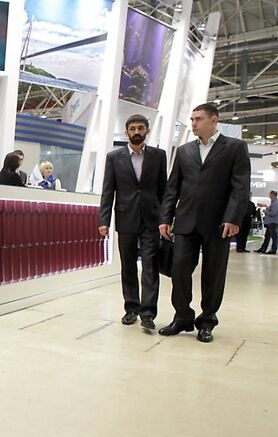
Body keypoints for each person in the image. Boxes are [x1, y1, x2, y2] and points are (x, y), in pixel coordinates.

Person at [158, 103, 250, 343]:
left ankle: (207, 321)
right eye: (192, 119)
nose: (193, 123)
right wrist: (165, 218)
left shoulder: (235, 148)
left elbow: (240, 187)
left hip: (219, 223)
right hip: (186, 221)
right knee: (179, 269)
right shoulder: (185, 151)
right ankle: (182, 317)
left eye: (198, 119)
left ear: (214, 120)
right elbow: (172, 188)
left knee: (214, 273)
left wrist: (233, 217)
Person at [98, 114, 167, 329]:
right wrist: (104, 220)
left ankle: (148, 313)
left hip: (151, 218)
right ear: (126, 132)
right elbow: (108, 190)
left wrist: (166, 218)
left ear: (147, 130)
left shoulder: (159, 156)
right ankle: (131, 309)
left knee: (150, 266)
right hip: (125, 216)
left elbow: (163, 190)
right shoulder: (114, 157)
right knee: (128, 265)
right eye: (132, 128)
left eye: (140, 128)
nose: (136, 132)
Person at [256, 190, 277, 254]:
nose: (269, 196)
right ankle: (263, 249)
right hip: (270, 222)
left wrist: (265, 211)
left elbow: (273, 213)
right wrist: (266, 207)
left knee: (274, 237)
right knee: (267, 236)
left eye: (270, 194)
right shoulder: (273, 203)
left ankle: (273, 250)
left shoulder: (276, 203)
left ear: (273, 195)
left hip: (273, 222)